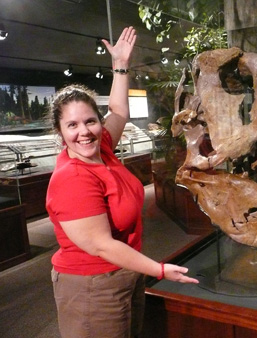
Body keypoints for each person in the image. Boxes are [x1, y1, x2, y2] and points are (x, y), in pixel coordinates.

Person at [46, 26, 199, 338]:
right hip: (92, 287)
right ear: (60, 133)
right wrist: (158, 270)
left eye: (90, 121)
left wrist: (120, 66)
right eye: (72, 125)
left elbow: (118, 110)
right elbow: (101, 244)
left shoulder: (101, 148)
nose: (84, 131)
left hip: (123, 274)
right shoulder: (73, 179)